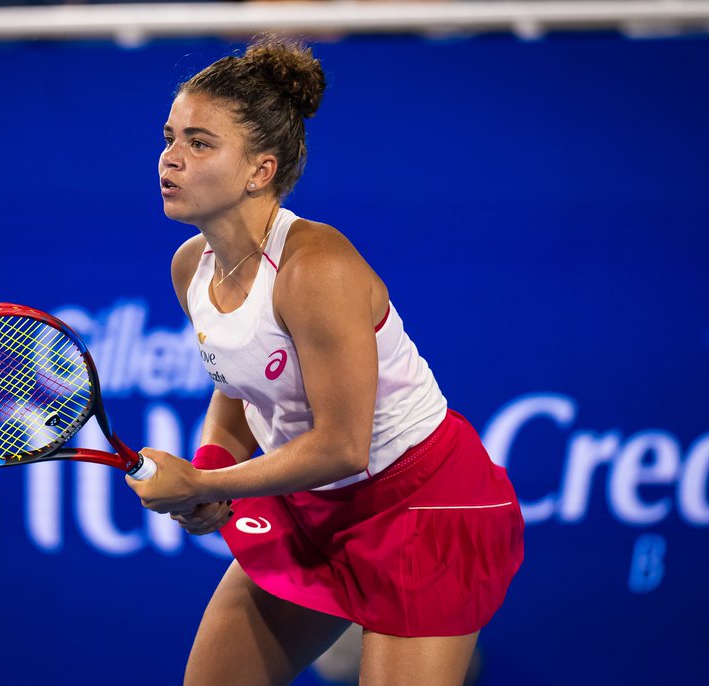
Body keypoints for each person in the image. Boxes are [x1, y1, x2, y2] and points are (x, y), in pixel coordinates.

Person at [126, 35, 524, 686]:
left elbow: (342, 447)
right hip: (310, 506)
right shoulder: (190, 267)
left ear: (260, 170)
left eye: (200, 143)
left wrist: (207, 489)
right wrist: (211, 466)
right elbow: (240, 383)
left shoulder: (317, 268)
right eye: (170, 137)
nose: (171, 159)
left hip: (421, 510)